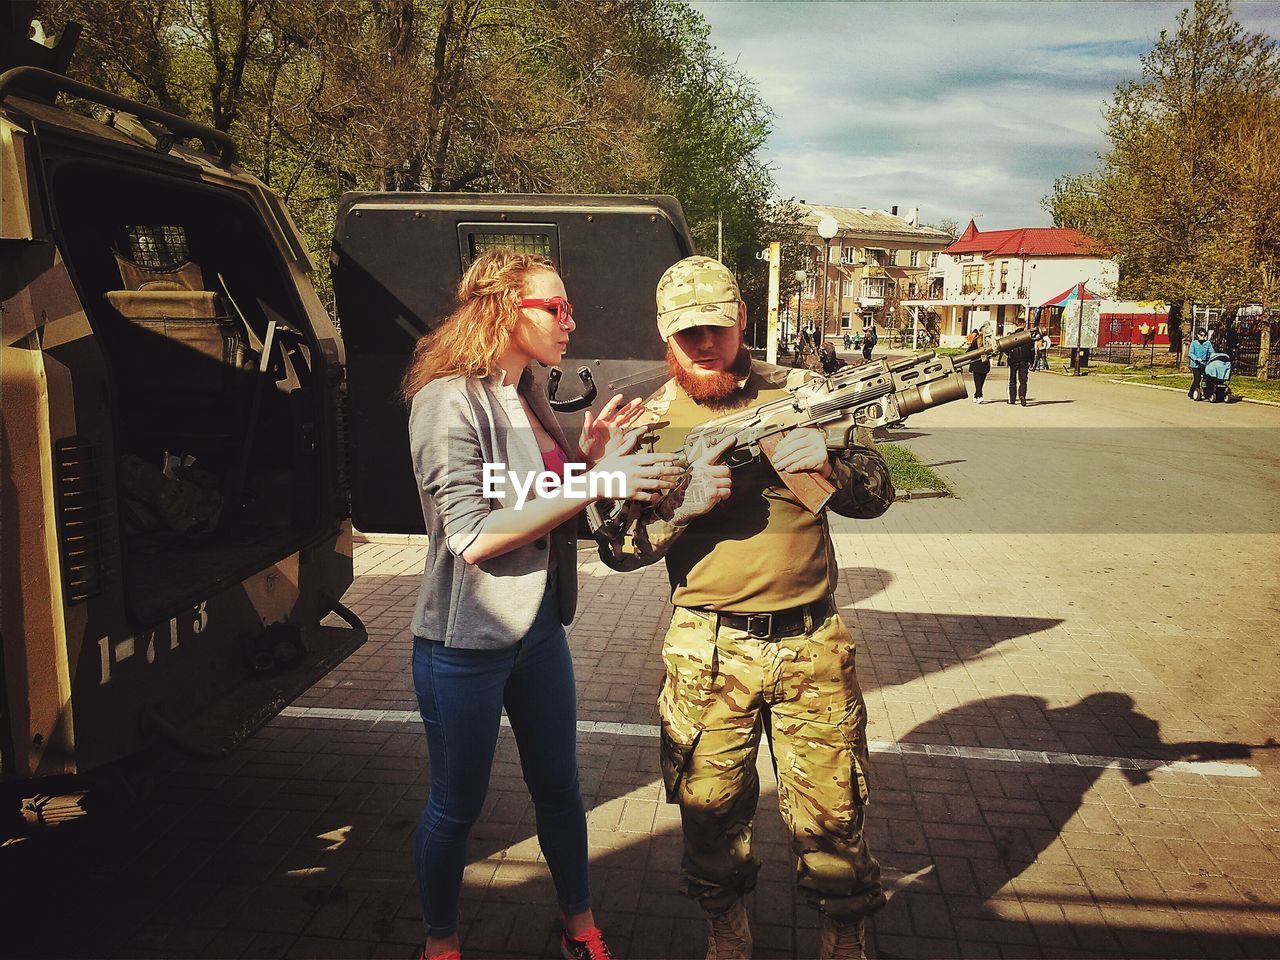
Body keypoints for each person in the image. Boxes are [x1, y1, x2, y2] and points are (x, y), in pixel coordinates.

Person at [594, 256, 895, 960]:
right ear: (664, 333)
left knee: (834, 811)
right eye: (688, 331)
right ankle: (727, 930)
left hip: (811, 639)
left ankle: (844, 934)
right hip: (708, 648)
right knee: (708, 810)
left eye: (718, 329)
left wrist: (831, 466)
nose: (704, 344)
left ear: (743, 323)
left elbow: (877, 491)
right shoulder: (650, 420)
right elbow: (616, 546)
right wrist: (679, 513)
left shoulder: (804, 393)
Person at [402, 250, 681, 960]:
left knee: (560, 789)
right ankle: (441, 942)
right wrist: (595, 484)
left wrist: (589, 459)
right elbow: (471, 535)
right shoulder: (445, 400)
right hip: (464, 642)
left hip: (538, 632)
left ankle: (578, 923)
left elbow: (536, 502)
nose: (570, 321)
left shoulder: (524, 389)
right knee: (455, 805)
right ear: (502, 308)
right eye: (554, 307)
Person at [1006, 319, 1034, 405]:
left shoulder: (1011, 336)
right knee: (1023, 380)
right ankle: (1022, 395)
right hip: (1024, 360)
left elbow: (1006, 349)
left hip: (1013, 361)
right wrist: (1032, 361)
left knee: (1012, 380)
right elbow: (1031, 350)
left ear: (1016, 324)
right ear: (1024, 324)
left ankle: (1012, 399)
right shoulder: (1027, 336)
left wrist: (1009, 355)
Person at [965, 323, 992, 402]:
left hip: (980, 364)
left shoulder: (988, 341)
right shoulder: (979, 340)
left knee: (979, 382)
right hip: (980, 364)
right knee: (979, 382)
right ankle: (980, 396)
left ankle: (976, 395)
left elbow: (969, 351)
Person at [1188, 328, 1214, 399]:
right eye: (1201, 335)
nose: (1203, 337)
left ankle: (1191, 393)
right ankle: (1197, 392)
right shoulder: (1194, 343)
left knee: (1206, 378)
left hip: (1204, 364)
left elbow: (1212, 352)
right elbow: (1190, 353)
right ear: (1198, 335)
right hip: (1195, 364)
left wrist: (1212, 357)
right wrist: (1195, 359)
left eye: (1204, 335)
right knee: (1197, 379)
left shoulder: (1208, 343)